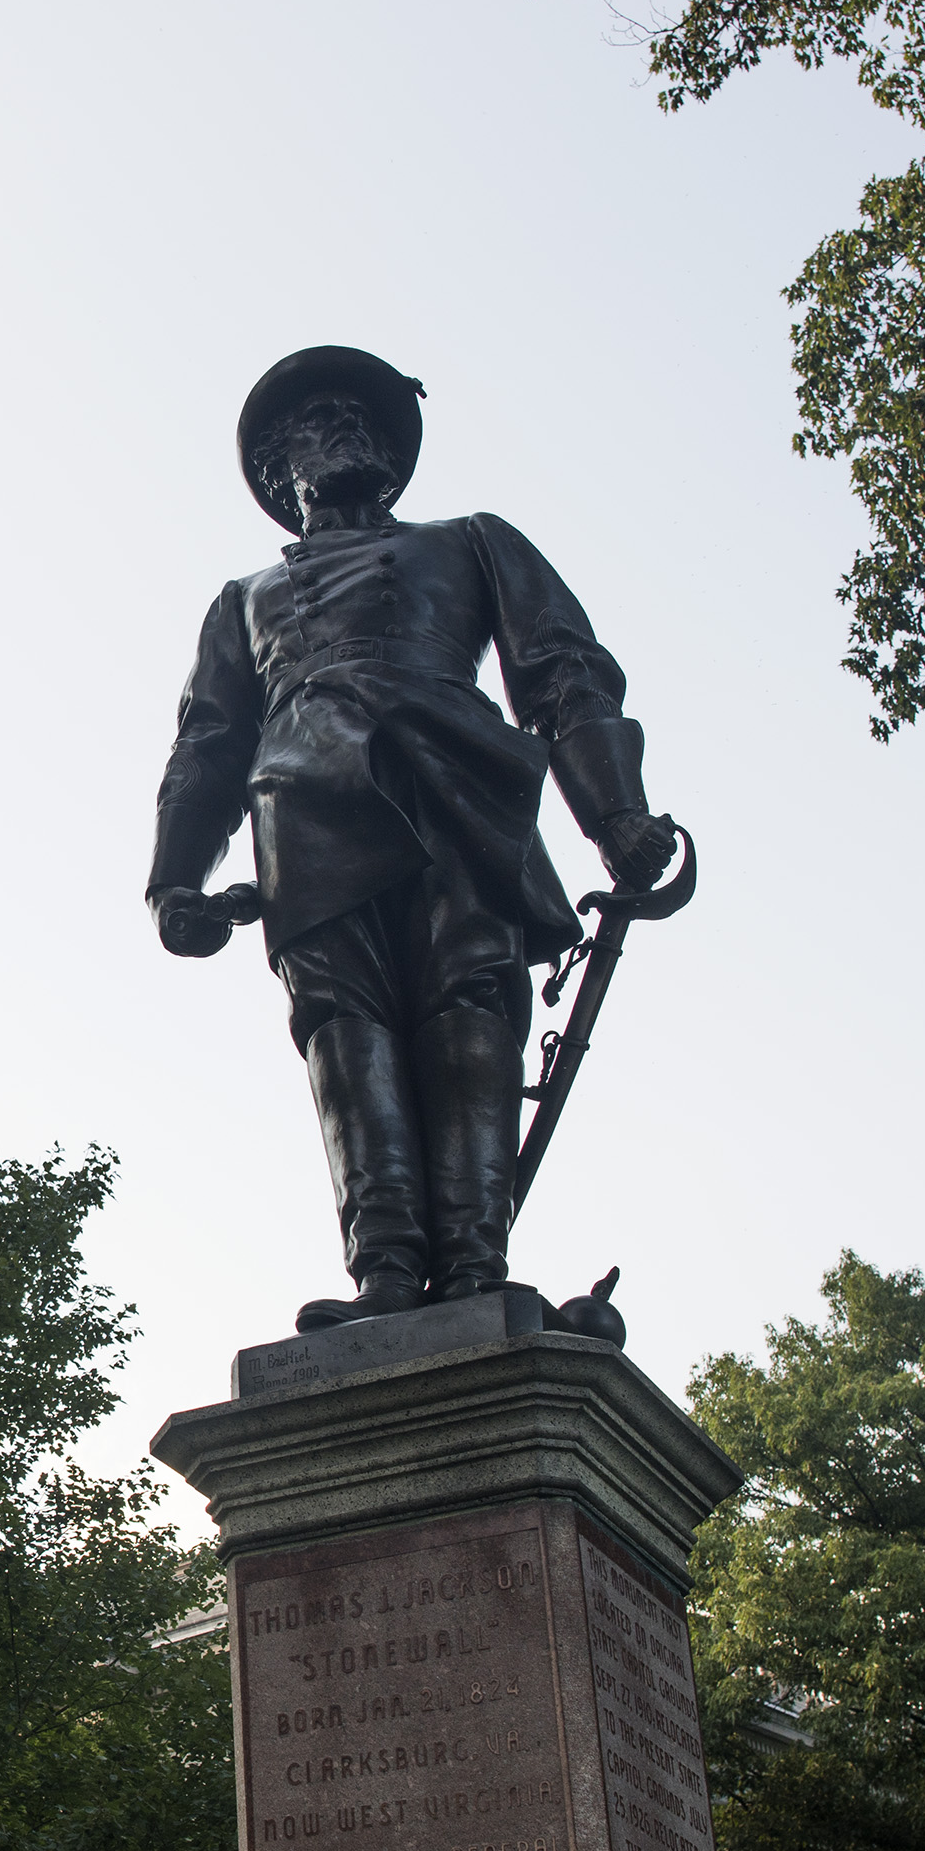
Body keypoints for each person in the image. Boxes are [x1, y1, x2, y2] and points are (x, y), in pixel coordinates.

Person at [147, 346, 677, 1333]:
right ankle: (385, 1272)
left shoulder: (471, 541)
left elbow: (564, 677)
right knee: (343, 1036)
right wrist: (175, 877)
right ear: (278, 471)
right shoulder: (242, 600)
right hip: (302, 814)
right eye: (318, 420)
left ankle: (476, 1264)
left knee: (466, 1013)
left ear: (394, 462)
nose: (347, 426)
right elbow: (208, 742)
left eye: (363, 418)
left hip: (453, 784)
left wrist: (620, 819)